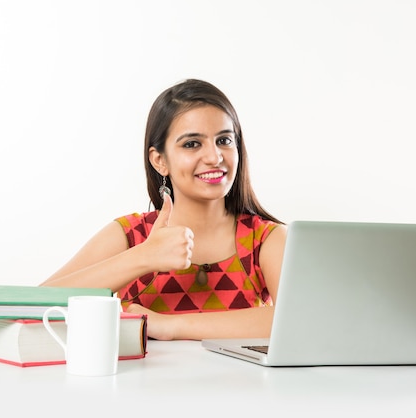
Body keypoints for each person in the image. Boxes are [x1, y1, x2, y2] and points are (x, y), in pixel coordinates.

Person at [41, 79, 287, 341]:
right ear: (160, 161)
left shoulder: (267, 239)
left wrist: (168, 326)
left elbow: (299, 321)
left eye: (224, 140)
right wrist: (144, 256)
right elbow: (29, 306)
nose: (215, 157)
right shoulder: (130, 236)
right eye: (192, 144)